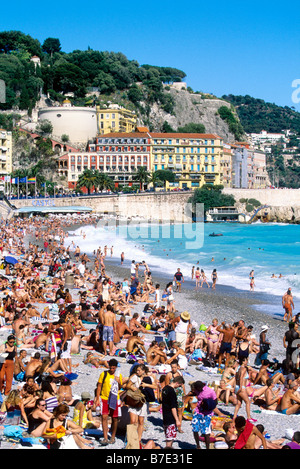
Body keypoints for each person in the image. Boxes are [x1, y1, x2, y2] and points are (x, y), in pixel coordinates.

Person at [95, 358, 123, 446]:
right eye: (110, 368)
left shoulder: (119, 375)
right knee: (104, 417)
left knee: (115, 418)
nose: (112, 370)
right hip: (104, 397)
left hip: (114, 398)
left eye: (113, 368)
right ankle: (105, 437)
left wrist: (119, 382)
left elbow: (120, 387)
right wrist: (97, 398)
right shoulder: (103, 374)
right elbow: (99, 386)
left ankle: (113, 436)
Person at [190, 380, 218, 449]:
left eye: (197, 389)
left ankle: (207, 447)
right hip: (198, 411)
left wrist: (208, 406)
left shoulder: (210, 391)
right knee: (195, 429)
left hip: (207, 413)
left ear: (201, 387)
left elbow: (215, 401)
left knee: (206, 432)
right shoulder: (196, 390)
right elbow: (193, 394)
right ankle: (198, 446)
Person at [161, 375, 185, 448]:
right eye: (179, 385)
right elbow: (173, 407)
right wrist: (177, 420)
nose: (178, 387)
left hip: (165, 415)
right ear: (177, 383)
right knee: (170, 438)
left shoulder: (165, 388)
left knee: (167, 436)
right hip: (171, 417)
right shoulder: (172, 392)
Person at [165, 359, 186, 430]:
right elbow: (166, 385)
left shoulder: (179, 374)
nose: (173, 369)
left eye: (175, 367)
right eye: (172, 367)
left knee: (180, 411)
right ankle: (172, 424)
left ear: (178, 367)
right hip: (172, 394)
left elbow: (182, 384)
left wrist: (184, 393)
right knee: (173, 410)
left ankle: (179, 427)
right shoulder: (168, 375)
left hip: (179, 393)